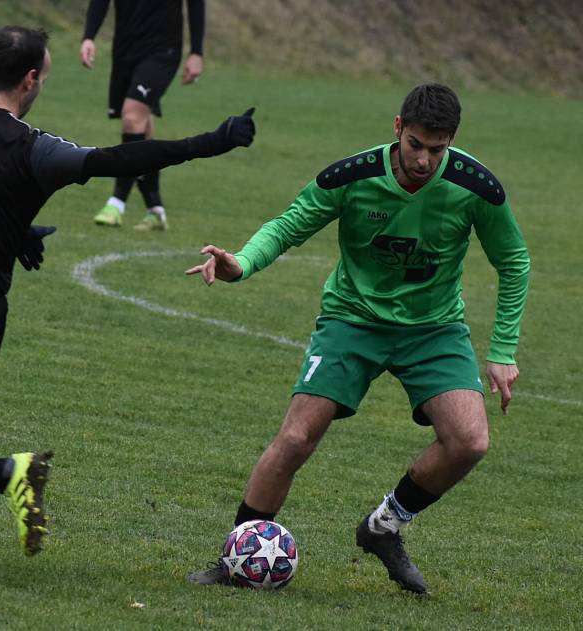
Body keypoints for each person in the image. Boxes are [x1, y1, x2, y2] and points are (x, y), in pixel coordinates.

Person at [0, 24, 255, 559]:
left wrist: (11, 227)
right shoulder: (34, 149)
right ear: (30, 79)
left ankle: (8, 474)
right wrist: (214, 141)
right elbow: (116, 160)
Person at [185, 83, 529, 593]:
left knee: (470, 441)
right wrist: (243, 262)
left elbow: (514, 261)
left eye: (437, 149)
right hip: (352, 319)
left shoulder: (476, 187)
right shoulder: (353, 176)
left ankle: (384, 528)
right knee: (297, 437)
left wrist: (502, 351)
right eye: (415, 144)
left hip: (433, 329)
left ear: (451, 141)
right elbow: (288, 226)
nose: (424, 160)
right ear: (397, 129)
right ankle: (236, 553)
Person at [80, 0, 205, 231]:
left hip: (163, 48)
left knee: (131, 115)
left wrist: (196, 51)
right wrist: (89, 36)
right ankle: (155, 209)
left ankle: (116, 203)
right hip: (125, 48)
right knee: (141, 125)